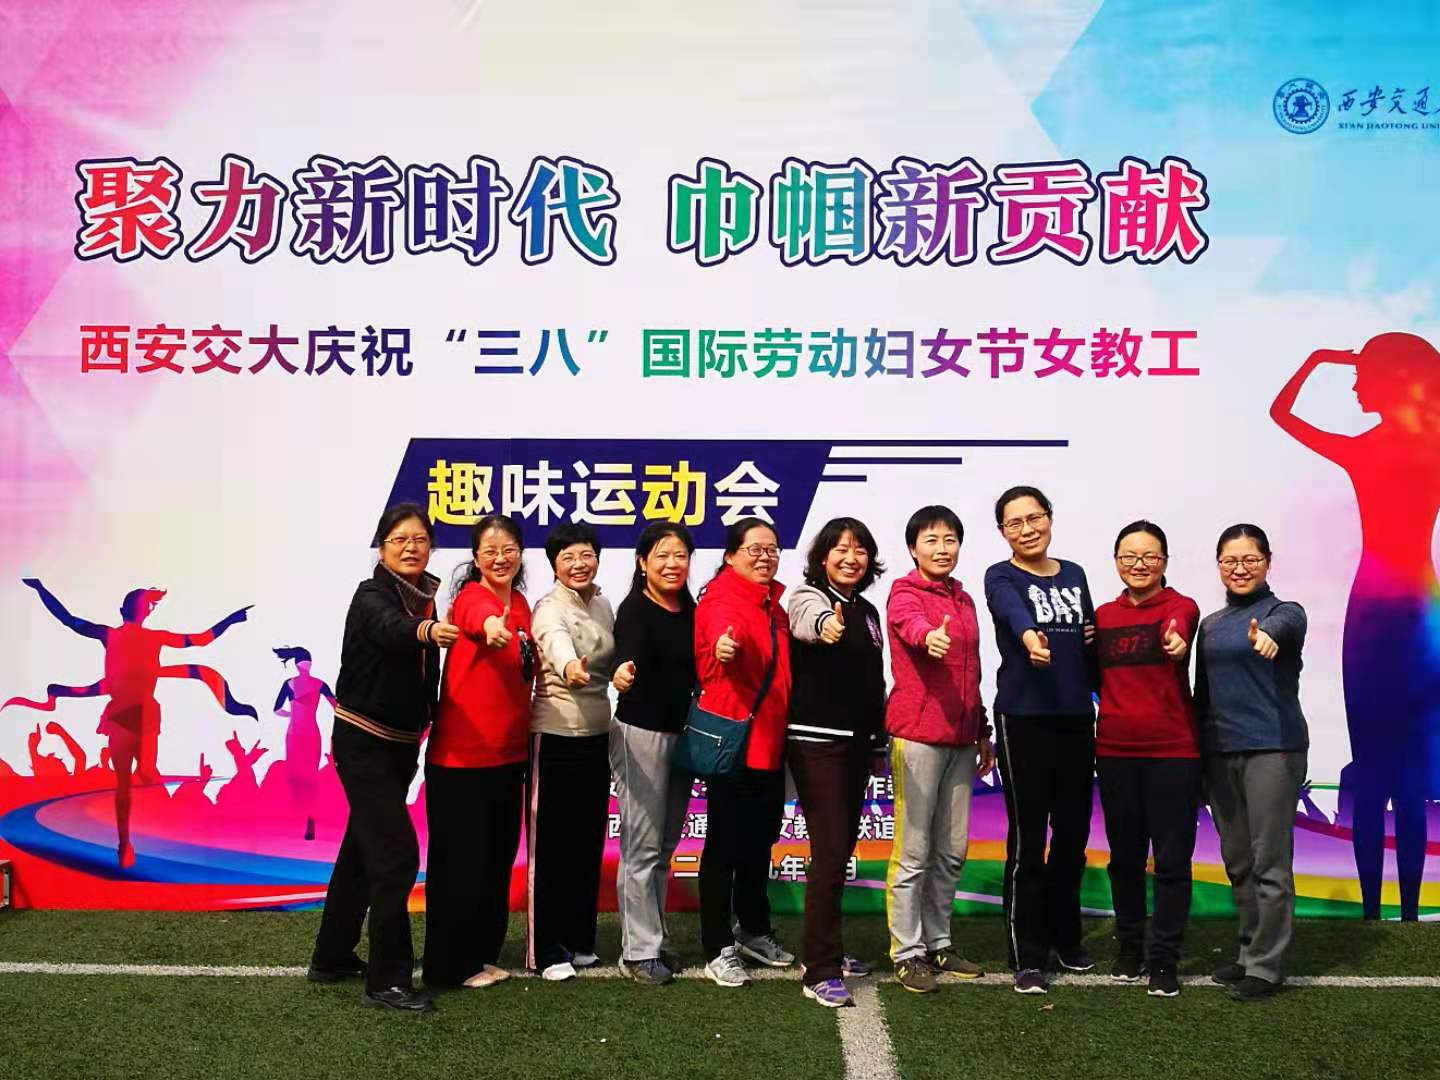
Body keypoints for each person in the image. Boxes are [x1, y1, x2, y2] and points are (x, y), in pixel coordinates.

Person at [1270, 335, 1440, 921]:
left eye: (1362, 373)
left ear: (1392, 379)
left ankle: (1376, 909)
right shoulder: (1421, 446)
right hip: (1418, 610)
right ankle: (1406, 911)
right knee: (1403, 770)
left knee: (1376, 766)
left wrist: (1317, 360)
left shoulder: (1374, 448)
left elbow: (1282, 413)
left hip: (1378, 612)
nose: (1355, 383)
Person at [309, 502, 459, 1013]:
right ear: (381, 548)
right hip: (363, 742)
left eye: (420, 539)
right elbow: (390, 629)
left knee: (361, 850)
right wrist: (427, 632)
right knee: (395, 857)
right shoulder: (372, 596)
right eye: (400, 540)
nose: (411, 547)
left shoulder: (424, 597)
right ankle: (388, 980)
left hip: (400, 746)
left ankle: (330, 956)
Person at [984, 485, 1097, 996]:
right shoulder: (1000, 575)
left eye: (1035, 518)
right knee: (1030, 840)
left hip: (1075, 718)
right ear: (1003, 531)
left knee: (1072, 836)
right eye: (1015, 523)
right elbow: (1012, 611)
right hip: (1023, 719)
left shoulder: (1074, 574)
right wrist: (1031, 637)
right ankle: (1027, 953)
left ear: (1049, 518)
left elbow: (1088, 638)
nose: (1028, 529)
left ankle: (1066, 937)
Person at [423, 514, 536, 991]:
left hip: (509, 758)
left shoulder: (524, 605)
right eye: (490, 550)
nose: (500, 558)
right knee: (459, 866)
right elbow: (476, 616)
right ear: (475, 558)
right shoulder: (472, 597)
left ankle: (479, 953)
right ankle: (446, 966)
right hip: (462, 760)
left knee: (493, 861)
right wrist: (492, 626)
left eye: (508, 549)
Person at [1195, 523, 1308, 1003]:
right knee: (1239, 862)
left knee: (1269, 862)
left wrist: (1268, 640)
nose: (1239, 568)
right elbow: (1202, 697)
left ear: (1267, 562)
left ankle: (1266, 966)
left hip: (1272, 750)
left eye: (1250, 559)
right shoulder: (1210, 625)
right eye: (1230, 560)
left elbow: (1284, 631)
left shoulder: (1285, 613)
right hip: (1220, 754)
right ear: (1219, 565)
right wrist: (1199, 761)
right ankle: (1248, 953)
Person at [883, 506, 992, 995]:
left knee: (951, 850)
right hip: (918, 736)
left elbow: (974, 671)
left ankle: (938, 942)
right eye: (931, 540)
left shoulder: (963, 598)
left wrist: (982, 729)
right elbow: (911, 626)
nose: (942, 548)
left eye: (950, 539)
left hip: (963, 740)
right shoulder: (904, 592)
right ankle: (907, 952)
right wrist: (929, 637)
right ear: (913, 548)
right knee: (914, 851)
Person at [1092, 521, 1201, 998]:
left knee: (1172, 861)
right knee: (1125, 860)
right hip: (1115, 754)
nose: (1139, 564)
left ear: (1165, 562)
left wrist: (1176, 643)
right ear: (1117, 561)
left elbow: (1180, 629)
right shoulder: (1102, 616)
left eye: (1150, 556)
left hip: (1173, 753)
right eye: (1129, 556)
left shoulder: (1181, 607)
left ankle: (1164, 959)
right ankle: (1130, 947)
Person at [787, 517, 887, 1008]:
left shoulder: (867, 611)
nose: (851, 558)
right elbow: (807, 621)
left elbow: (874, 683)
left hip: (856, 746)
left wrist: (878, 744)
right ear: (823, 557)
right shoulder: (809, 597)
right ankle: (819, 969)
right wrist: (825, 626)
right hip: (816, 744)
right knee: (828, 853)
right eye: (841, 549)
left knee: (840, 850)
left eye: (860, 550)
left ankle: (829, 950)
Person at [695, 517, 794, 988]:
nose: (764, 557)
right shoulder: (721, 597)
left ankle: (752, 928)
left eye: (771, 549)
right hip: (734, 743)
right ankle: (717, 946)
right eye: (754, 549)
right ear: (731, 555)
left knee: (759, 842)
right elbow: (720, 635)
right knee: (724, 847)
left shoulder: (775, 603)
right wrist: (723, 647)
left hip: (771, 744)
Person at [526, 521, 617, 981]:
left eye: (586, 555)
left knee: (586, 842)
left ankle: (579, 939)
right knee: (552, 847)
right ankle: (545, 950)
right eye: (568, 558)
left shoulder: (602, 604)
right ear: (554, 565)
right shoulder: (548, 608)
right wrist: (568, 667)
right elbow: (555, 643)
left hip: (598, 736)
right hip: (555, 735)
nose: (579, 564)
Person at [610, 523, 698, 987]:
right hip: (641, 735)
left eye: (680, 555)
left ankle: (655, 939)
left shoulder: (690, 608)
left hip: (683, 737)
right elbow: (625, 655)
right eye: (662, 555)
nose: (672, 564)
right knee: (641, 847)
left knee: (664, 846)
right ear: (643, 563)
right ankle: (637, 951)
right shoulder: (634, 609)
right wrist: (621, 672)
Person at [272, 647, 336, 841]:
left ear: (296, 665)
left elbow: (277, 710)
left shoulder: (289, 684)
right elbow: (336, 706)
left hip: (295, 734)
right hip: (310, 733)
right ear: (309, 665)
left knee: (297, 777)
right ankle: (308, 821)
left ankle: (302, 819)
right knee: (309, 777)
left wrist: (292, 714)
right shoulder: (319, 684)